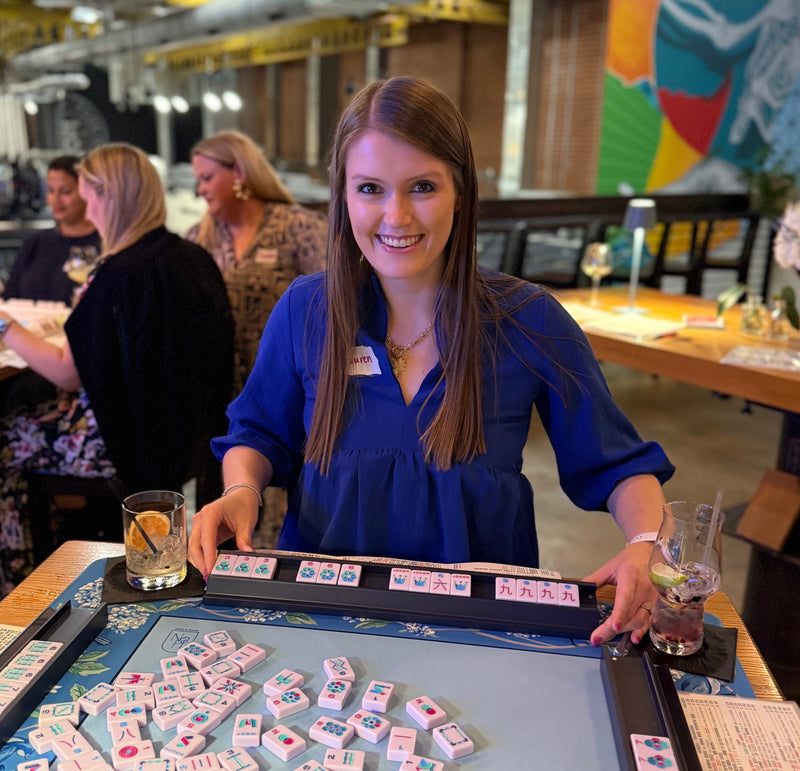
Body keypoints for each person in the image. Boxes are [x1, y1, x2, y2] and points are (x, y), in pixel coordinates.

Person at [189, 77, 675, 647]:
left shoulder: (530, 319)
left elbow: (616, 463)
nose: (396, 216)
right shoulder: (306, 308)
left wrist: (647, 544)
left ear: (461, 192)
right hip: (322, 620)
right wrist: (241, 491)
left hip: (482, 627)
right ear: (343, 197)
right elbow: (258, 432)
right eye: (370, 188)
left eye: (422, 186)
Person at [0, 143, 234, 596]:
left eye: (88, 195)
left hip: (123, 443)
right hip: (190, 440)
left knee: (6, 441)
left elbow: (68, 372)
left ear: (109, 196)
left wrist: (4, 323)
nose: (86, 208)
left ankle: (27, 582)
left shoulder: (115, 273)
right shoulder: (192, 258)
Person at [187, 130, 327, 394]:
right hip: (220, 391)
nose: (200, 190)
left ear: (239, 173)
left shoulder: (298, 227)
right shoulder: (198, 238)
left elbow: (332, 300)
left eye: (206, 178)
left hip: (288, 385)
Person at [3, 155, 100, 306]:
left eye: (65, 191)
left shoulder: (106, 245)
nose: (55, 199)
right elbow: (9, 301)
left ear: (87, 192)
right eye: (50, 190)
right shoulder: (34, 244)